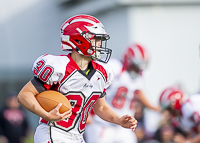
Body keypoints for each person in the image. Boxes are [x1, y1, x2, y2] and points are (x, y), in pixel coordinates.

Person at [17, 14, 137, 143]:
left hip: (77, 136)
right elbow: (24, 95)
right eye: (96, 39)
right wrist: (46, 115)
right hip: (53, 132)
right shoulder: (59, 67)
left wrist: (119, 120)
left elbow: (101, 108)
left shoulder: (102, 73)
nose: (100, 43)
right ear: (78, 40)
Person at [85, 43, 160, 143]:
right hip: (102, 124)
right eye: (136, 66)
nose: (139, 70)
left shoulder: (141, 75)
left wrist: (152, 107)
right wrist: (86, 111)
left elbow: (138, 90)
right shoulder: (115, 67)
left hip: (124, 126)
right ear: (128, 60)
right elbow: (92, 85)